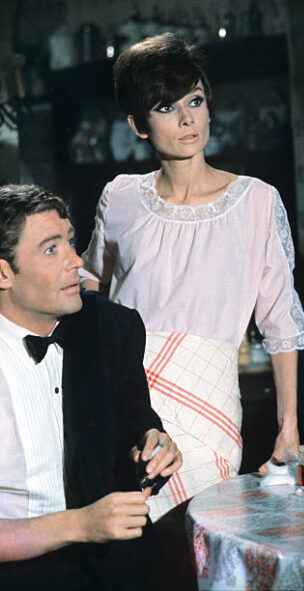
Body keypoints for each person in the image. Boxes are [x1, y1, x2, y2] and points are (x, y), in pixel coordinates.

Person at [80, 32, 304, 522]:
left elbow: (280, 321)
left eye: (196, 100)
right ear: (138, 125)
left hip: (210, 409)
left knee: (199, 537)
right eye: (166, 107)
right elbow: (87, 284)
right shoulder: (120, 197)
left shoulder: (256, 201)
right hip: (127, 401)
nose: (187, 119)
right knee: (128, 538)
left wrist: (288, 426)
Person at [0, 184, 182, 590]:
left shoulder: (109, 328)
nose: (76, 262)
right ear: (3, 273)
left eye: (70, 242)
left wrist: (151, 445)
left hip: (106, 568)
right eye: (51, 249)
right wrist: (79, 525)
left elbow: (136, 420)